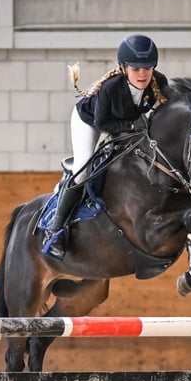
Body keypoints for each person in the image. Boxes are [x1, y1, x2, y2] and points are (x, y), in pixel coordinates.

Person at [42, 33, 169, 260]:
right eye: (136, 68)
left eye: (147, 68)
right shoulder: (110, 88)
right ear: (123, 68)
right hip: (89, 122)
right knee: (83, 168)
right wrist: (132, 125)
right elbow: (103, 124)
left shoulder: (160, 83)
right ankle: (55, 230)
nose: (142, 74)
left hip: (124, 126)